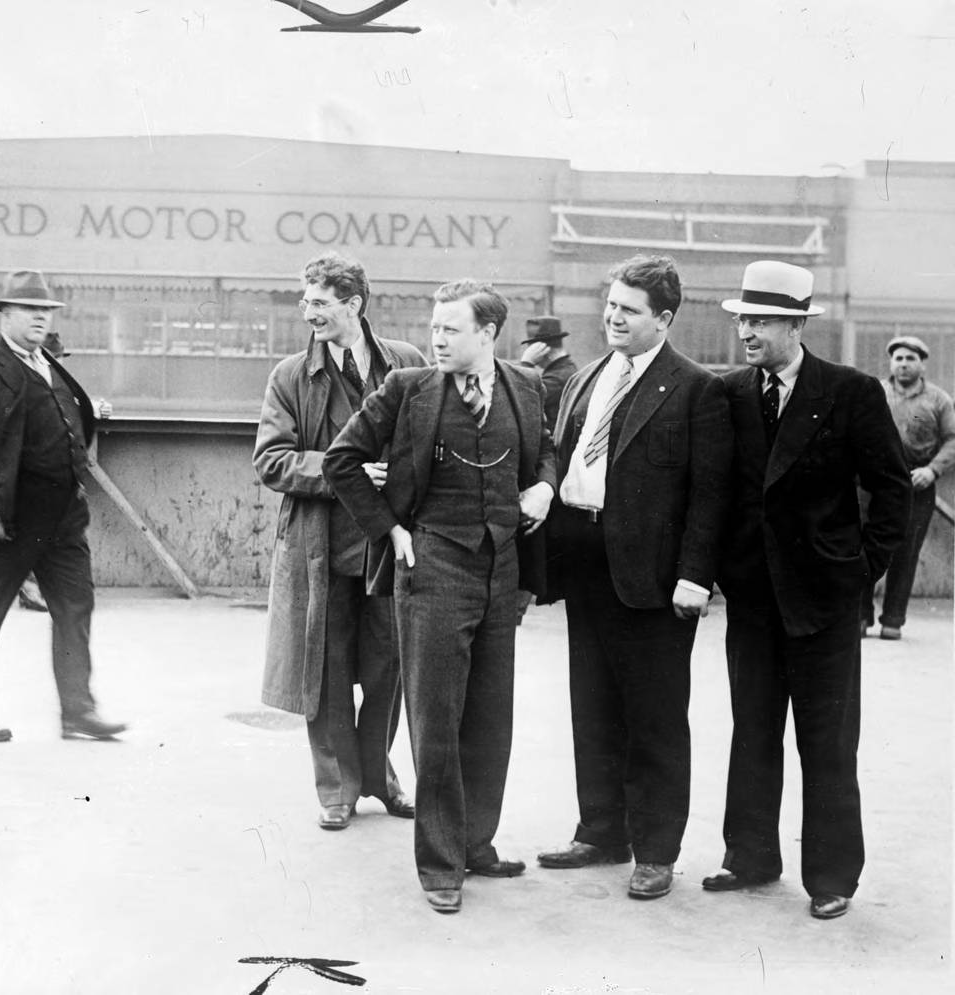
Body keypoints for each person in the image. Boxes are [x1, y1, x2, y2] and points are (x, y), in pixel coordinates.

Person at [324, 279, 557, 914]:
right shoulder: (406, 390)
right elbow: (341, 462)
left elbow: (547, 454)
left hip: (501, 568)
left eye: (451, 328)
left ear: (488, 334)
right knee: (436, 723)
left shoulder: (526, 386)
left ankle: (476, 842)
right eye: (434, 326)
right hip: (432, 567)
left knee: (489, 716)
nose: (437, 337)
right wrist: (391, 530)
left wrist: (543, 487)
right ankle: (439, 863)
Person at [706, 260, 910, 920]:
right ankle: (751, 854)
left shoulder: (849, 392)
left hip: (824, 600)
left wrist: (861, 569)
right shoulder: (734, 393)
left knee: (826, 741)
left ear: (796, 324)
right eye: (742, 319)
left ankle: (831, 876)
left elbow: (891, 487)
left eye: (759, 320)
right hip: (754, 598)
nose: (745, 331)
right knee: (753, 730)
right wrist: (725, 570)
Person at [535, 255, 731, 901]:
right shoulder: (587, 376)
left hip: (653, 580)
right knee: (591, 705)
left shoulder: (697, 388)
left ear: (664, 319)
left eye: (629, 310)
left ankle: (654, 850)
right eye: (611, 305)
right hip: (586, 563)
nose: (613, 317)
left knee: (654, 718)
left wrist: (695, 577)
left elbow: (709, 494)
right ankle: (600, 830)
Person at [254, 252, 425, 831]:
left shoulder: (405, 362)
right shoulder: (288, 376)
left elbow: (430, 441)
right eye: (305, 301)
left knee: (389, 668)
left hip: (386, 545)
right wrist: (342, 470)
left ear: (353, 305)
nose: (308, 313)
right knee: (323, 674)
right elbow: (271, 461)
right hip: (320, 547)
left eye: (320, 302)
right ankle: (337, 788)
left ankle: (378, 778)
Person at [0, 269, 126, 742]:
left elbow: (73, 421)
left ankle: (78, 711)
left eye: (46, 310)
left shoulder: (50, 364)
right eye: (30, 309)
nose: (40, 317)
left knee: (75, 607)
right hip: (10, 517)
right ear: (5, 314)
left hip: (64, 516)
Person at [861, 335, 955, 639]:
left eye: (910, 359)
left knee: (906, 550)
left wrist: (932, 470)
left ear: (922, 364)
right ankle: (860, 617)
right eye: (899, 358)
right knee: (862, 547)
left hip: (917, 483)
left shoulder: (939, 400)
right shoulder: (875, 392)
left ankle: (893, 620)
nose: (903, 364)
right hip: (874, 483)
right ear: (891, 363)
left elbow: (952, 439)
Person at [517, 315, 576, 430]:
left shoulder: (557, 378)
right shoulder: (564, 369)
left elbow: (522, 401)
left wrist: (526, 363)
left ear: (541, 349)